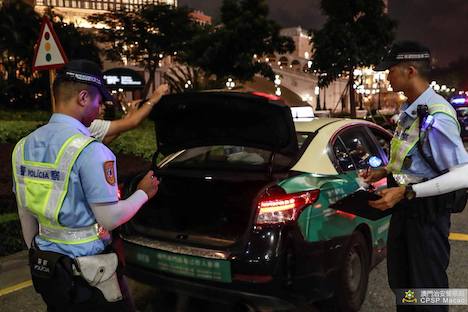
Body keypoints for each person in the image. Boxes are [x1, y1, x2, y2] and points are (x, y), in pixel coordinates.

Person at [11, 59, 159, 311]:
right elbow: (110, 218)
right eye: (98, 101)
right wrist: (143, 193)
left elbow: (25, 213)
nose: (100, 108)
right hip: (91, 276)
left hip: (50, 272)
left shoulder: (23, 146)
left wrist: (41, 250)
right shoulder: (91, 151)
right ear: (82, 97)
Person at [360, 41, 468, 312]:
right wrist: (383, 171)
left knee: (428, 293)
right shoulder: (411, 111)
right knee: (404, 287)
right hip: (405, 212)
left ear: (409, 71)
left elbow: (464, 174)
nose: (386, 76)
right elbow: (415, 159)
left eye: (391, 70)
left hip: (426, 218)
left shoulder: (437, 114)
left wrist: (407, 192)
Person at [88, 83, 169, 144]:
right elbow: (133, 122)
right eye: (99, 103)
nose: (104, 107)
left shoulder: (85, 126)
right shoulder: (90, 125)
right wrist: (153, 99)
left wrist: (130, 112)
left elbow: (105, 139)